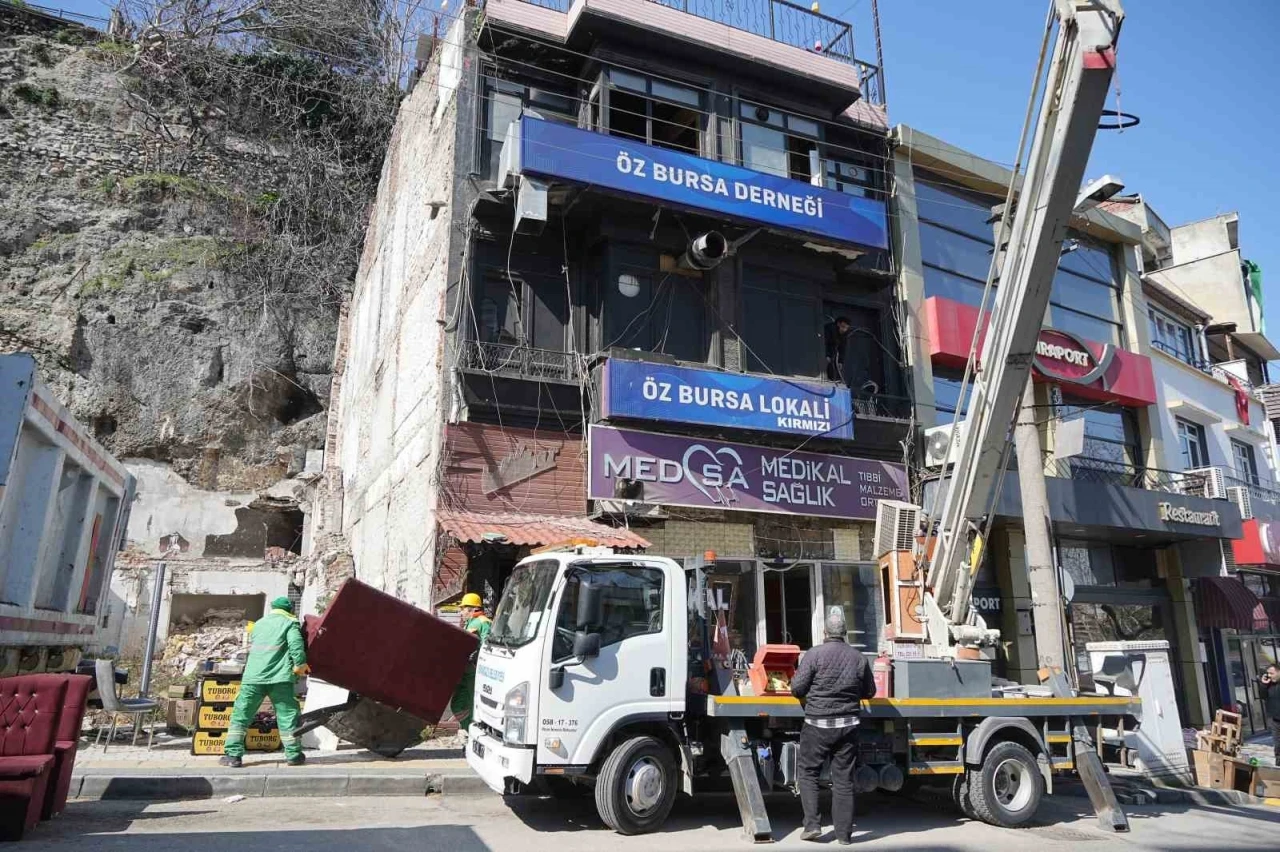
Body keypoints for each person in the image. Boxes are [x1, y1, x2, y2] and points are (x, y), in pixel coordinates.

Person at [791, 607, 877, 845]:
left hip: (817, 724)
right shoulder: (858, 657)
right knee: (843, 780)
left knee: (808, 773)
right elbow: (870, 691)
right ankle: (844, 836)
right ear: (845, 633)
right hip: (848, 726)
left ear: (825, 633)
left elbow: (797, 689)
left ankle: (812, 826)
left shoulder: (814, 655)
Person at [219, 596, 309, 768]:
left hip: (253, 677)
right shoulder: (289, 623)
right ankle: (294, 755)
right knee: (287, 716)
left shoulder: (259, 624)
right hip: (279, 678)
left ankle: (233, 756)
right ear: (290, 609)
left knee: (241, 714)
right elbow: (296, 646)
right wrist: (300, 665)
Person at [449, 592, 492, 733]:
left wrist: (477, 654)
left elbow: (485, 644)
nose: (461, 612)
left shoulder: (483, 622)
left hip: (474, 673)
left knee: (474, 706)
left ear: (472, 608)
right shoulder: (471, 622)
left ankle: (473, 733)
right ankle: (469, 730)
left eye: (463, 608)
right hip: (466, 672)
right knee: (457, 705)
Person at [1259, 663, 1280, 763]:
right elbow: (1263, 696)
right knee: (1278, 743)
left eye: (1272, 673)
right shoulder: (1269, 685)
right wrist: (1263, 684)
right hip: (1275, 719)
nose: (1269, 676)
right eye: (1268, 673)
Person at [824, 316, 852, 382]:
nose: (844, 330)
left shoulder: (844, 334)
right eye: (843, 327)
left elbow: (843, 348)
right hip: (825, 352)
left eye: (846, 328)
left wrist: (840, 361)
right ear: (838, 324)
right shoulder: (829, 329)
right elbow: (824, 342)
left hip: (832, 354)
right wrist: (827, 354)